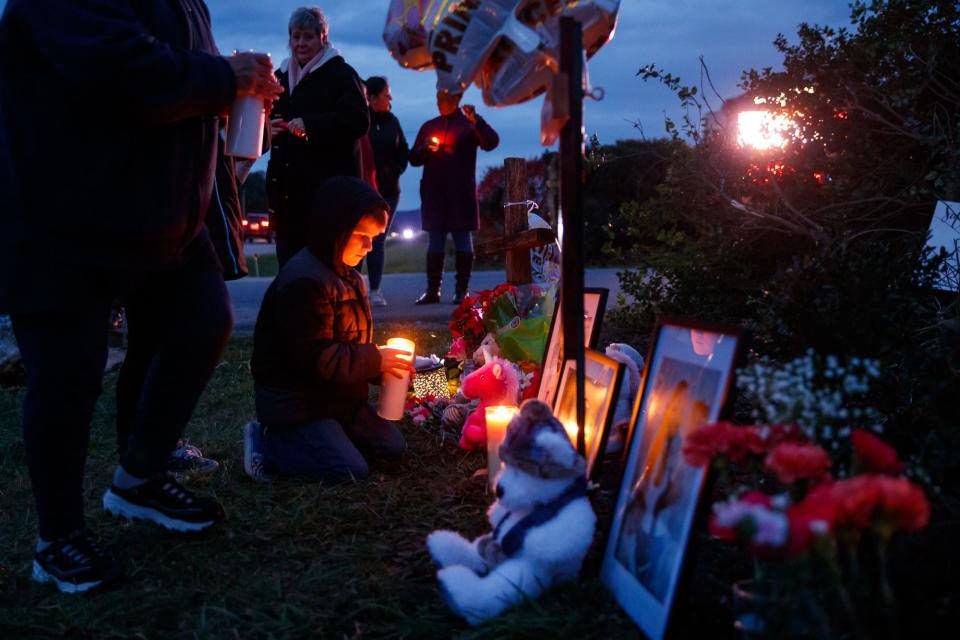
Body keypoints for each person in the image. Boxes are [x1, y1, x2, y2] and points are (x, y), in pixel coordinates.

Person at [0, 0, 282, 593]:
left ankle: (139, 477)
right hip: (63, 213)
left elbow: (169, 62)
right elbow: (115, 68)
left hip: (161, 216)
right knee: (67, 375)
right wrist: (221, 78)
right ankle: (57, 538)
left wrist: (231, 86)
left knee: (202, 320)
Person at [245, 177, 412, 483]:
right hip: (298, 404)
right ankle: (269, 443)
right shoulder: (304, 282)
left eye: (375, 237)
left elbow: (350, 347)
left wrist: (393, 367)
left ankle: (331, 436)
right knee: (350, 470)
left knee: (392, 447)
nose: (369, 246)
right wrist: (376, 359)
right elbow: (317, 358)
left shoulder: (349, 278)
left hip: (338, 402)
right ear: (334, 229)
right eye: (361, 235)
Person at [267, 6, 370, 267]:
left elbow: (358, 121)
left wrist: (311, 125)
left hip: (328, 195)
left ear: (322, 37)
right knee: (290, 270)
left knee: (330, 267)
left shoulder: (342, 75)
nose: (301, 43)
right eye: (296, 36)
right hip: (288, 197)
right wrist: (268, 130)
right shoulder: (278, 79)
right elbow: (264, 125)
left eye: (308, 37)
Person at [409, 91, 499, 305]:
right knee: (435, 243)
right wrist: (424, 149)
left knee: (462, 241)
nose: (439, 103)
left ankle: (461, 291)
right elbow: (412, 158)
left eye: (444, 99)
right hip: (434, 194)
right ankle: (433, 291)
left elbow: (491, 142)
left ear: (456, 100)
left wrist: (477, 120)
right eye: (438, 99)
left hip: (461, 195)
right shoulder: (430, 126)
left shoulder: (469, 124)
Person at [363, 76, 409, 308]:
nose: (390, 98)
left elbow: (404, 150)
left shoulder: (392, 120)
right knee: (359, 237)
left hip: (389, 192)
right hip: (364, 190)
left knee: (378, 240)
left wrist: (395, 170)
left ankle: (374, 290)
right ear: (371, 98)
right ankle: (354, 286)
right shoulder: (361, 121)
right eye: (386, 94)